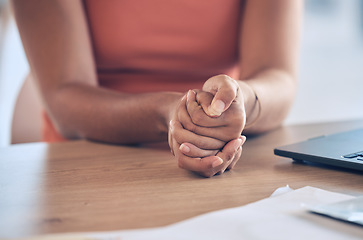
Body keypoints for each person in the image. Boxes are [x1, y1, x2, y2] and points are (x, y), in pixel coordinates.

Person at [12, 0, 302, 177]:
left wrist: (240, 101)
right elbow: (65, 95)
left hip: (229, 154)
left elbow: (277, 77)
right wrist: (171, 114)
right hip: (90, 160)